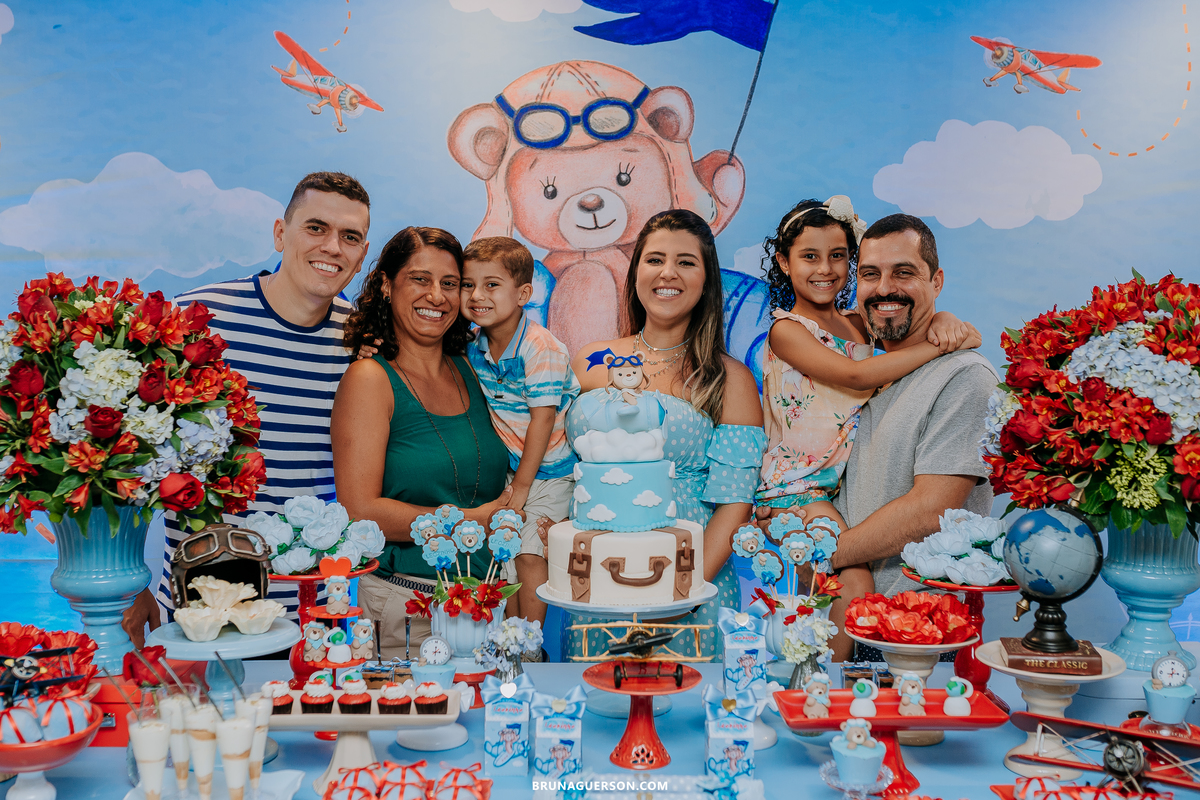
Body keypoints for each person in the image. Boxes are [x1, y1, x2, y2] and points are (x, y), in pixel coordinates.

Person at [121, 171, 372, 648]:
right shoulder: (194, 321)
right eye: (315, 228)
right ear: (281, 232)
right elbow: (128, 454)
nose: (332, 247)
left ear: (361, 255)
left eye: (350, 237)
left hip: (315, 616)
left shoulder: (362, 341)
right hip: (199, 611)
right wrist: (130, 583)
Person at [753, 197, 980, 661]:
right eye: (872, 274)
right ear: (784, 262)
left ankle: (823, 678)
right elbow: (857, 376)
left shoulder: (861, 328)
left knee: (841, 583)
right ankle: (827, 686)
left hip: (915, 617)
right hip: (796, 484)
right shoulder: (788, 329)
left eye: (839, 257)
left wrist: (943, 321)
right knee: (851, 583)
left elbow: (898, 319)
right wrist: (938, 346)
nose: (826, 268)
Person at [564, 209, 767, 658]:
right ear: (636, 271)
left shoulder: (729, 380)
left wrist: (681, 592)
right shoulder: (591, 361)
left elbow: (734, 507)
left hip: (691, 588)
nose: (667, 273)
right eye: (654, 259)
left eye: (686, 262)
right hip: (595, 584)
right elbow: (556, 468)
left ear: (706, 280)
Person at [332, 227, 514, 658]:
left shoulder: (475, 367)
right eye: (419, 279)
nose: (437, 296)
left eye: (450, 284)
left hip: (490, 603)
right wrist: (471, 521)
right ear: (385, 285)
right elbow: (359, 510)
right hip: (408, 609)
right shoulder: (370, 378)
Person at [829, 214, 998, 631]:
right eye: (871, 274)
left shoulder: (965, 377)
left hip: (918, 626)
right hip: (841, 613)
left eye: (904, 273)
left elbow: (931, 509)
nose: (885, 288)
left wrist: (819, 552)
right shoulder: (856, 365)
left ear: (936, 281)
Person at [460, 237, 579, 632]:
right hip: (513, 469)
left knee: (530, 552)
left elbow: (542, 421)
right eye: (467, 284)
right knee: (504, 554)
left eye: (491, 284)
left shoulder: (539, 346)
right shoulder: (474, 345)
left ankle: (529, 643)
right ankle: (507, 639)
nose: (477, 295)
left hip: (549, 472)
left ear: (523, 294)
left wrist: (522, 490)